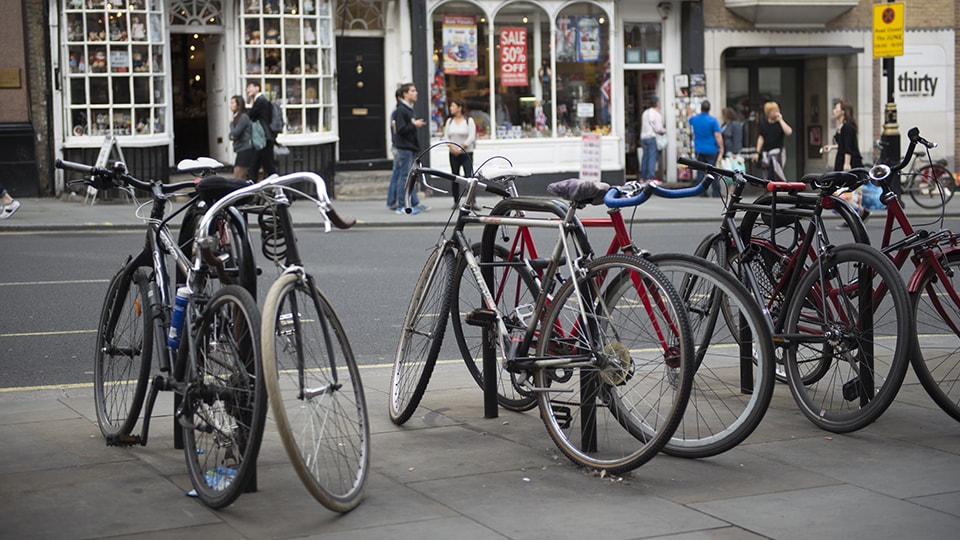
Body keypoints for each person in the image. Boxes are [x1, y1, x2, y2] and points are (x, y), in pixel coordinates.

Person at [823, 100, 869, 225]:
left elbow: (849, 147)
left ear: (843, 111)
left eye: (836, 108)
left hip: (850, 161)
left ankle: (856, 215)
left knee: (846, 191)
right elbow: (843, 145)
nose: (834, 110)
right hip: (843, 159)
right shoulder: (842, 126)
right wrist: (832, 147)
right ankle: (858, 214)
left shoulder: (848, 126)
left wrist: (847, 164)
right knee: (846, 191)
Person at [386, 83, 428, 214]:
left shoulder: (408, 109)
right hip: (403, 148)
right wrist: (414, 124)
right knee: (404, 177)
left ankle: (412, 202)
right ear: (405, 94)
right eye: (412, 91)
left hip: (409, 147)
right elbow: (400, 129)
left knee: (408, 176)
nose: (416, 93)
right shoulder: (401, 110)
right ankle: (401, 205)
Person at [443, 98, 477, 208]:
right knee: (454, 176)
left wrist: (461, 148)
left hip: (466, 153)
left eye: (453, 106)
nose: (451, 108)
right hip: (453, 153)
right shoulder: (449, 121)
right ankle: (456, 200)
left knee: (469, 177)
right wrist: (452, 148)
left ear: (459, 108)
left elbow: (471, 136)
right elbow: (446, 136)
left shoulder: (468, 121)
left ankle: (472, 201)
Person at [688, 100, 724, 196]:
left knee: (700, 171)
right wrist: (721, 147)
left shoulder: (695, 119)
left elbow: (689, 119)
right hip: (711, 149)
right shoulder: (713, 120)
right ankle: (715, 192)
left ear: (701, 108)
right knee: (713, 171)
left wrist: (690, 112)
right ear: (709, 109)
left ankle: (701, 192)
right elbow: (717, 135)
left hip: (699, 149)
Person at [753, 101, 793, 182]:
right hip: (767, 153)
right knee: (767, 172)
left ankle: (774, 188)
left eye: (777, 110)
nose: (776, 112)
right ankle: (770, 188)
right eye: (773, 111)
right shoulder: (764, 125)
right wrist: (757, 152)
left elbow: (789, 132)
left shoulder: (780, 124)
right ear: (768, 113)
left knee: (775, 172)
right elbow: (761, 138)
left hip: (778, 153)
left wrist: (781, 120)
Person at [245, 80, 277, 180]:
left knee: (268, 167)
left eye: (250, 87)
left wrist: (250, 104)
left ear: (257, 88)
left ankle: (282, 191)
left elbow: (251, 116)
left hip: (263, 138)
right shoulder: (262, 100)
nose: (247, 90)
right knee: (257, 166)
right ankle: (251, 189)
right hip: (263, 138)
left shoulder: (260, 101)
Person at [228, 95, 256, 180]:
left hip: (245, 149)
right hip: (240, 150)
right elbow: (231, 136)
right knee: (238, 175)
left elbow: (235, 133)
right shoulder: (237, 117)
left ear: (238, 104)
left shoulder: (243, 117)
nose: (231, 105)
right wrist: (232, 135)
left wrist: (232, 124)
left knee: (239, 176)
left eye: (233, 103)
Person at [639, 96, 666, 180]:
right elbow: (658, 129)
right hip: (651, 137)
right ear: (657, 104)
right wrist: (664, 130)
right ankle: (651, 177)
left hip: (643, 137)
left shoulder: (645, 113)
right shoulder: (656, 114)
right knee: (652, 157)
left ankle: (643, 177)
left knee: (645, 157)